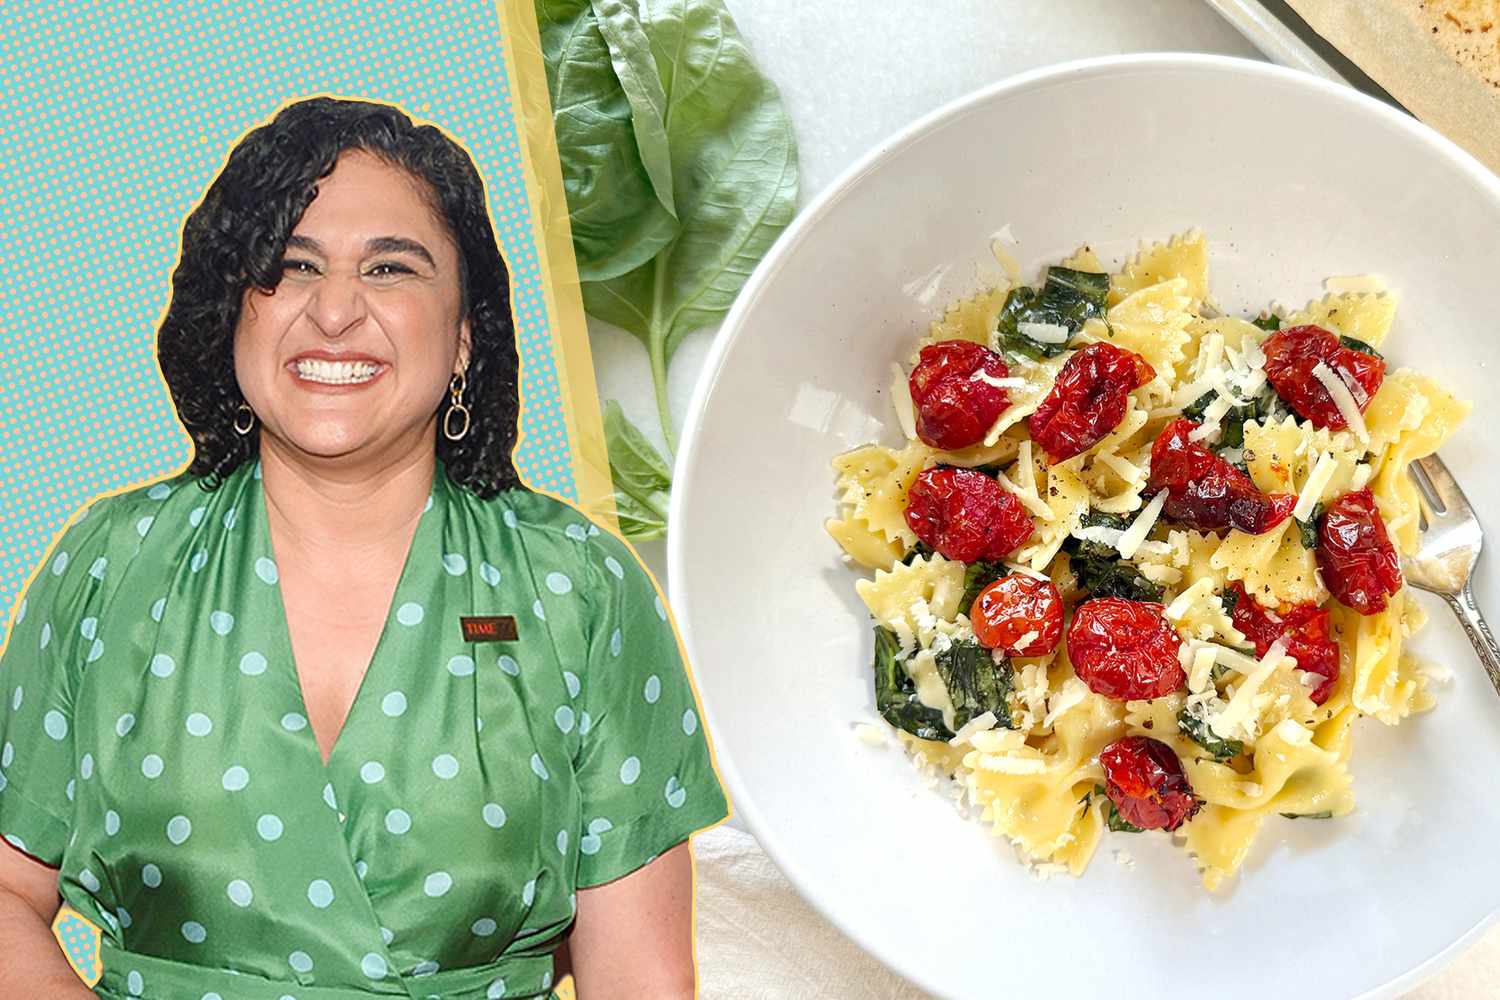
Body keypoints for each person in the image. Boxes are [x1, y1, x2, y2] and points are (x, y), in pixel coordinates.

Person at [0, 96, 728, 999]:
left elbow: (640, 981)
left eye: (390, 268)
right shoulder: (111, 565)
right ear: (236, 316)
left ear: (465, 335)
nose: (334, 310)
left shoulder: (579, 588)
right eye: (290, 266)